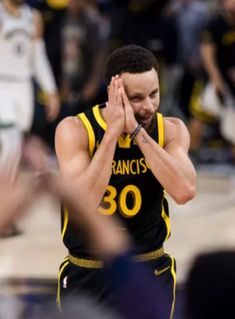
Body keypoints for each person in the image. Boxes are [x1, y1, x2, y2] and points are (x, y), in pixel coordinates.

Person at [55, 44, 196, 319]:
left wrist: (137, 133)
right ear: (113, 92)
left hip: (149, 266)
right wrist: (112, 135)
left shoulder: (170, 130)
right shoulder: (75, 130)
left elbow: (185, 191)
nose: (149, 106)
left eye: (154, 94)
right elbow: (83, 202)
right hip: (88, 269)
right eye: (136, 98)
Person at [0, 0, 60, 236]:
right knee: (11, 144)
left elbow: (38, 57)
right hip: (1, 83)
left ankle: (6, 211)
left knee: (13, 148)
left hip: (23, 86)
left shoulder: (33, 17)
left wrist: (51, 90)